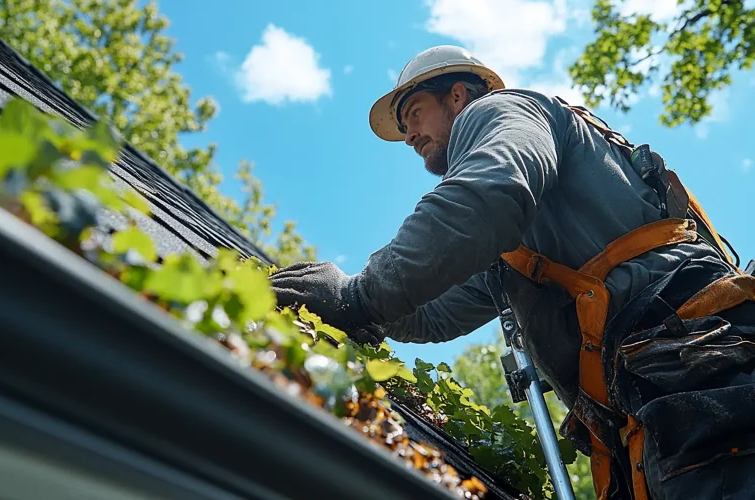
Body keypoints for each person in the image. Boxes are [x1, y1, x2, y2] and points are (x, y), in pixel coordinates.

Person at [268, 45, 755, 500]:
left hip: (701, 372)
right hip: (655, 409)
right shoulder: (518, 248)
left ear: (457, 95)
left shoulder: (502, 111)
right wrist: (350, 312)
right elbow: (433, 315)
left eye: (414, 114)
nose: (410, 135)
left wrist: (356, 296)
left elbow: (487, 198)